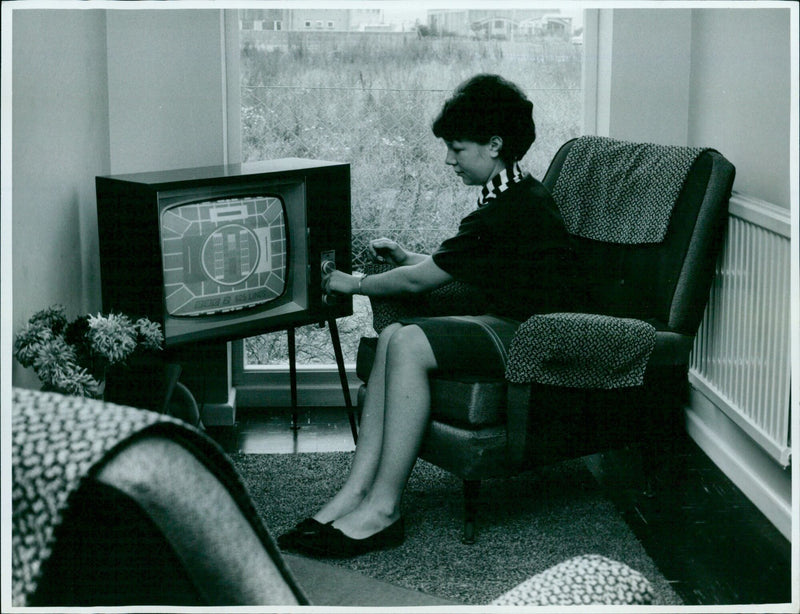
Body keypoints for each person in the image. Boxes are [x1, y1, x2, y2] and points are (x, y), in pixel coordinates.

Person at [278, 74, 578, 558]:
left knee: (409, 341)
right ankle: (357, 490)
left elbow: (424, 283)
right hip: (506, 321)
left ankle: (383, 508)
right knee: (396, 333)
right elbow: (449, 265)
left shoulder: (509, 208)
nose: (449, 160)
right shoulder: (512, 196)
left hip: (532, 336)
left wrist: (353, 283)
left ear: (494, 144)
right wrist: (405, 254)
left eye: (458, 149)